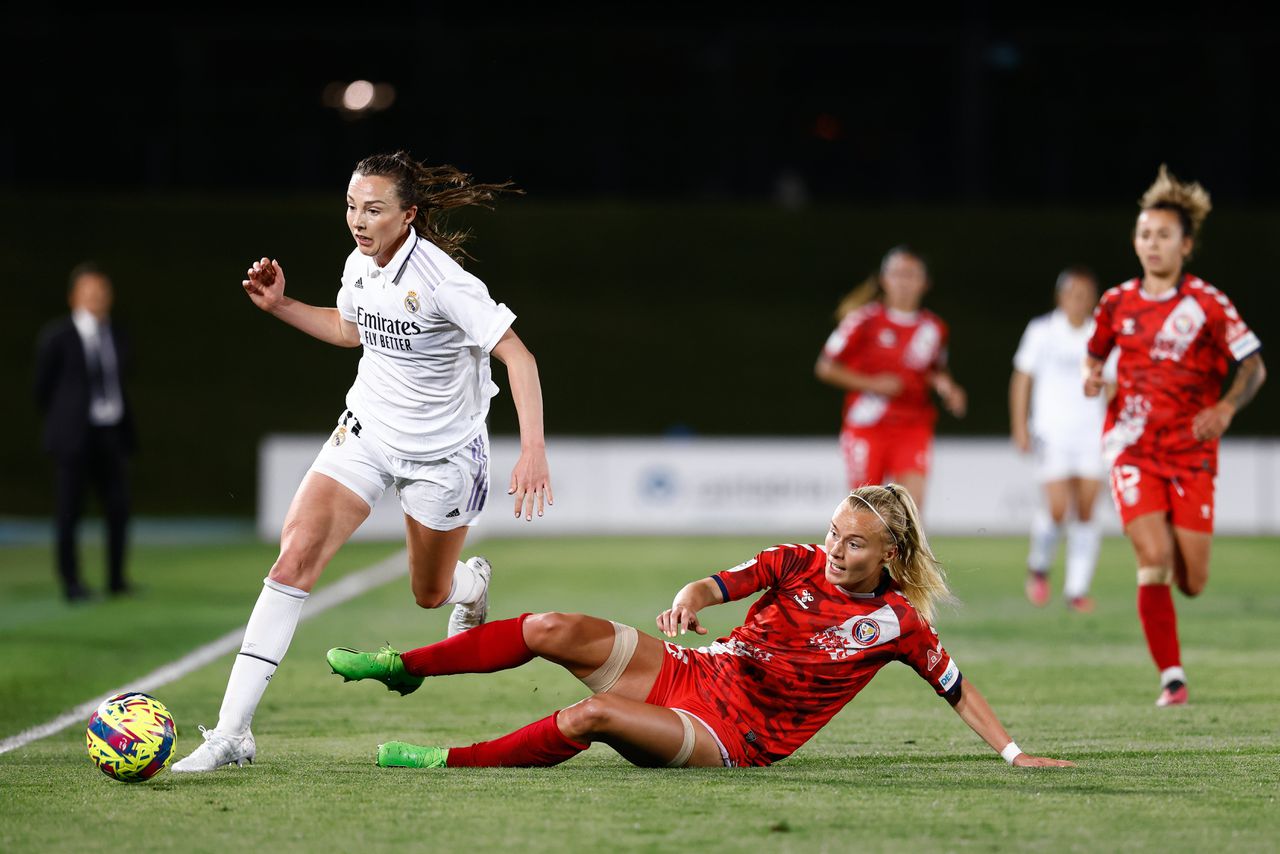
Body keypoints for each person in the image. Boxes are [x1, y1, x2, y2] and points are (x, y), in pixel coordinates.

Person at [173, 151, 552, 772]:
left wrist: (532, 449)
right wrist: (282, 305)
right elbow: (353, 331)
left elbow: (520, 358)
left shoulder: (442, 280)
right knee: (294, 557)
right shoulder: (361, 264)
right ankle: (231, 733)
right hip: (365, 433)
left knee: (430, 594)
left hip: (444, 457)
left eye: (373, 209)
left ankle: (471, 582)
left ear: (409, 214)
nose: (358, 220)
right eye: (351, 206)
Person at [327, 485, 1073, 770]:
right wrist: (689, 602)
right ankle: (406, 666)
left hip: (736, 736)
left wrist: (1013, 754)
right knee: (552, 625)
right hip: (698, 672)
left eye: (853, 543)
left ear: (891, 553)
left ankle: (446, 762)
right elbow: (716, 583)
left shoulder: (897, 623)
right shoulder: (796, 561)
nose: (835, 549)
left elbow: (956, 688)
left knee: (591, 715)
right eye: (833, 533)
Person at [1084, 165, 1265, 707]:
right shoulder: (1115, 303)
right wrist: (1094, 376)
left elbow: (1253, 365)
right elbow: (1094, 357)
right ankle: (1172, 677)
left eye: (1163, 235)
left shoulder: (1208, 304)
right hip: (1132, 446)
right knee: (1154, 557)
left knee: (1193, 580)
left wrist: (1228, 407)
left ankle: (1174, 637)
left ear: (1186, 244)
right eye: (1144, 234)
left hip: (1191, 452)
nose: (1152, 243)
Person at [815, 246, 966, 506]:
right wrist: (873, 384)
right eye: (897, 274)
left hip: (912, 424)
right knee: (866, 510)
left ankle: (904, 549)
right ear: (884, 280)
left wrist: (948, 388)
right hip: (867, 424)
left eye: (911, 275)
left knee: (910, 510)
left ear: (925, 283)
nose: (904, 282)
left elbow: (934, 369)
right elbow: (826, 367)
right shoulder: (863, 320)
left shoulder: (933, 328)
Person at [34, 264, 136, 602]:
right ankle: (71, 581)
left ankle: (116, 579)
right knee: (69, 511)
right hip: (74, 438)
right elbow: (42, 389)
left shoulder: (118, 334)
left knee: (118, 508)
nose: (97, 297)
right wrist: (65, 424)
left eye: (102, 291)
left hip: (110, 433)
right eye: (90, 291)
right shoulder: (57, 337)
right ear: (73, 297)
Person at [1010, 267, 1107, 611]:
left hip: (1091, 433)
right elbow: (1022, 379)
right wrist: (1020, 425)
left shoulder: (1102, 334)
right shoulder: (1042, 331)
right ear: (1060, 297)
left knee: (1085, 510)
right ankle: (1039, 565)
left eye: (1084, 294)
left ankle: (1076, 590)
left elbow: (1115, 383)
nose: (1078, 300)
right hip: (1051, 432)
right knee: (1056, 509)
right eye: (1072, 293)